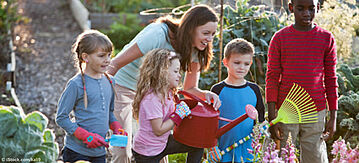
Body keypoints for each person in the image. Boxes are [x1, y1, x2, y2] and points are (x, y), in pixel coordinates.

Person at [107, 4, 221, 163]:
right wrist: (94, 91)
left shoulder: (197, 49)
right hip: (124, 87)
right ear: (190, 29)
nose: (210, 39)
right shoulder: (158, 34)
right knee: (122, 149)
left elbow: (189, 88)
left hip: (155, 96)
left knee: (157, 146)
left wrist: (205, 94)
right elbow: (115, 64)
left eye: (213, 34)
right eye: (206, 33)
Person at [265, 0, 338, 162]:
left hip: (316, 110)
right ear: (291, 8)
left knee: (315, 157)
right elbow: (272, 77)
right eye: (300, 8)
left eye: (311, 8)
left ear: (318, 8)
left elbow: (331, 78)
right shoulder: (280, 38)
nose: (306, 13)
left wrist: (333, 116)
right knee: (285, 157)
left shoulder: (326, 38)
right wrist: (272, 115)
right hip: (286, 111)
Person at [56, 30, 126, 163]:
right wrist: (85, 136)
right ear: (85, 57)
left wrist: (116, 127)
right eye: (101, 56)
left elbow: (109, 113)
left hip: (99, 152)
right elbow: (61, 117)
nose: (107, 60)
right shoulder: (75, 84)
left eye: (109, 55)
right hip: (77, 152)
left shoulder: (110, 81)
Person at [131, 48, 203, 163]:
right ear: (162, 72)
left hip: (161, 144)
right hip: (146, 152)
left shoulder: (168, 92)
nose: (179, 75)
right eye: (175, 71)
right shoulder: (152, 99)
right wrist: (178, 116)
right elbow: (158, 130)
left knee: (197, 144)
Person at [210, 38, 265, 163]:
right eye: (237, 62)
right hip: (222, 151)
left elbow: (261, 120)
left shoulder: (254, 89)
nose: (241, 67)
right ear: (225, 62)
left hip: (248, 152)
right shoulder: (217, 90)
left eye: (246, 64)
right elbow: (209, 123)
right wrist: (212, 148)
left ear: (250, 64)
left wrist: (261, 128)